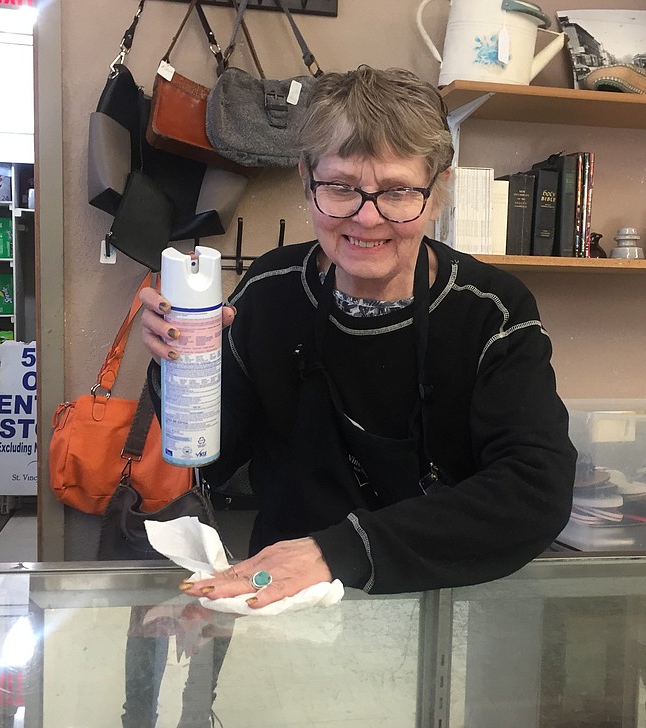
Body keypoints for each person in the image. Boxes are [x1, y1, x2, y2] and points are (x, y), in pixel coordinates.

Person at [139, 66, 577, 607]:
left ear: (438, 189)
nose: (367, 219)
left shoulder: (493, 310)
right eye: (342, 188)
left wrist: (334, 552)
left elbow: (535, 491)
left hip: (444, 602)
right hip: (284, 606)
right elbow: (212, 459)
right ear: (307, 180)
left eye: (396, 192)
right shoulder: (271, 290)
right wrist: (178, 364)